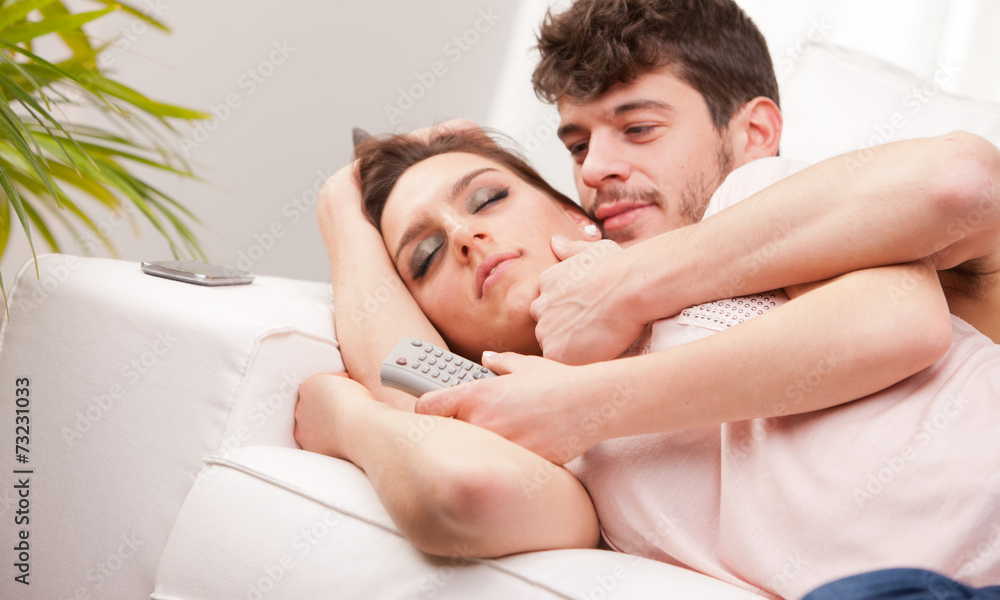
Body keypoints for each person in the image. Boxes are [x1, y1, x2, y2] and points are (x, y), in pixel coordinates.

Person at [294, 127, 1000, 598]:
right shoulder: (552, 454)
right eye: (425, 257)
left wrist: (588, 399)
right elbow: (460, 489)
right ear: (437, 326)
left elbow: (899, 323)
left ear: (578, 213)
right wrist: (351, 410)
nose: (465, 237)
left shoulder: (744, 217)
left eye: (489, 198)